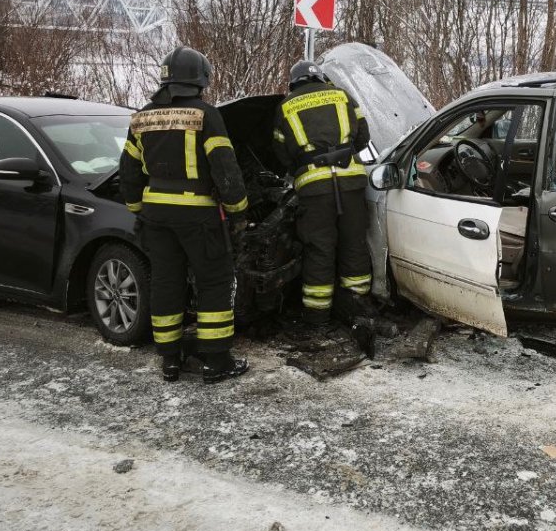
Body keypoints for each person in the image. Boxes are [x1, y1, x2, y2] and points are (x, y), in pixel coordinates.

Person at [119, 46, 250, 385]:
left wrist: (138, 211)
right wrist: (238, 212)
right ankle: (216, 361)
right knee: (214, 282)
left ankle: (169, 361)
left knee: (165, 281)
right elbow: (226, 169)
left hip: (156, 217)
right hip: (198, 215)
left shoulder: (142, 118)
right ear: (200, 81)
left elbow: (129, 174)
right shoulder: (205, 115)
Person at [272, 60, 374, 332]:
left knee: (319, 249)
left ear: (294, 83)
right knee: (354, 245)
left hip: (314, 189)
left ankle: (318, 319)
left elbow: (281, 154)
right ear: (320, 77)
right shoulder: (342, 95)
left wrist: (301, 165)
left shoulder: (285, 107)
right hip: (351, 182)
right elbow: (363, 137)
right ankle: (357, 309)